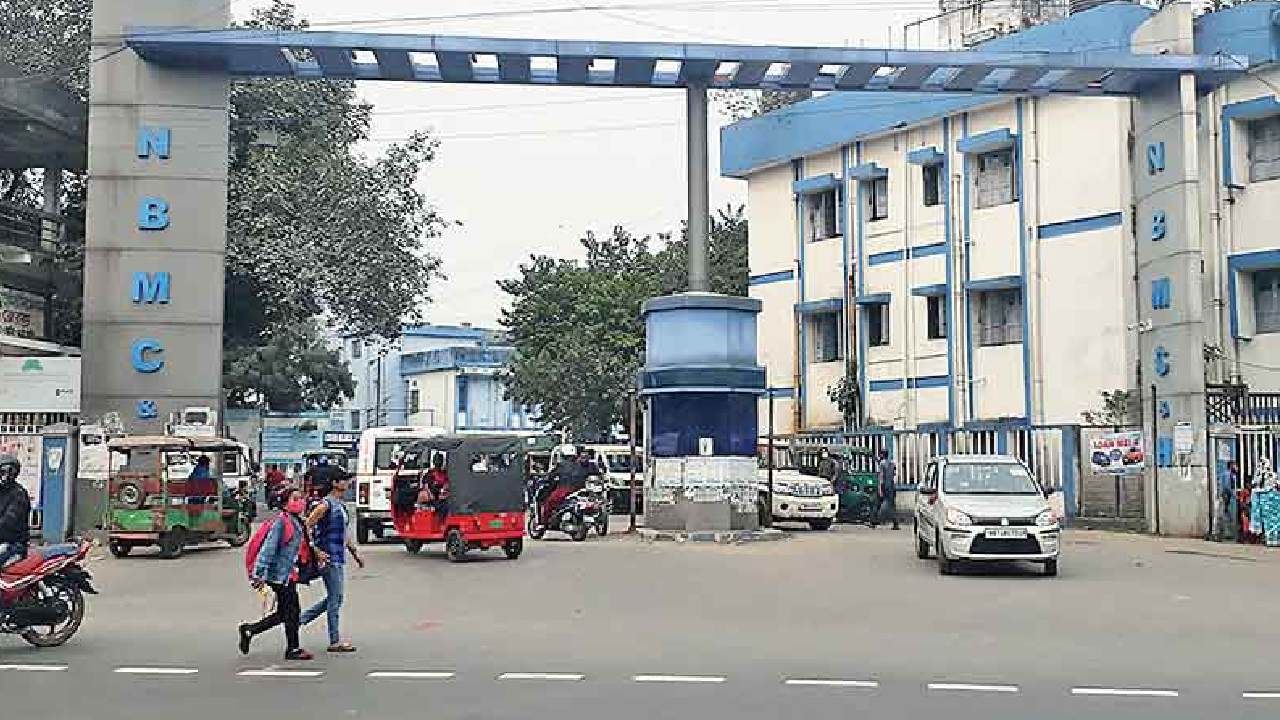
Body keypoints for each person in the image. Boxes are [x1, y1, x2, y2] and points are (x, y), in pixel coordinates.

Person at [239, 486, 315, 660]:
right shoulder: (282, 522)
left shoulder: (296, 520)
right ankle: (293, 648)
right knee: (292, 611)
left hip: (287, 574)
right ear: (285, 504)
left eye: (301, 498)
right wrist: (258, 574)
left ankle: (250, 630)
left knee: (285, 612)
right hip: (280, 576)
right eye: (295, 499)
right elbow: (268, 549)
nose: (300, 502)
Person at [301, 472, 364, 653]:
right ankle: (334, 640)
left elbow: (343, 533)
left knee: (335, 598)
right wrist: (316, 550)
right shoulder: (325, 505)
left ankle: (298, 620)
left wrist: (354, 553)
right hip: (328, 557)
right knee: (335, 598)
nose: (348, 483)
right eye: (344, 480)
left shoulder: (340, 505)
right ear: (335, 483)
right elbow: (306, 527)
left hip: (337, 556)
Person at [540, 445, 588, 524]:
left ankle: (544, 522)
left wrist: (547, 478)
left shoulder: (561, 465)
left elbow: (551, 476)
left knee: (549, 502)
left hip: (565, 490)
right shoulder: (580, 465)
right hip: (579, 490)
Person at [0, 453, 31, 568]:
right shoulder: (1, 491)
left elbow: (9, 521)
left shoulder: (19, 494)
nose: (6, 475)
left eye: (10, 471)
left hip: (13, 544)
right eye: (2, 471)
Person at [870, 450, 899, 530]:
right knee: (891, 505)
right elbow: (894, 475)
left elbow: (881, 477)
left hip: (884, 486)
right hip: (891, 486)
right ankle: (895, 522)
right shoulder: (892, 464)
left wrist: (880, 489)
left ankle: (873, 521)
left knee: (876, 503)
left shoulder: (882, 464)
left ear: (882, 455)